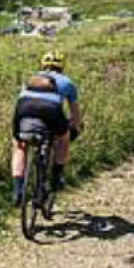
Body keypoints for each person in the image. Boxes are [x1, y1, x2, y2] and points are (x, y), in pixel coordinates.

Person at [11, 50, 83, 206]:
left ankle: (17, 190)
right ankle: (57, 176)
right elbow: (74, 113)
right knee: (63, 137)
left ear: (42, 65)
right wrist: (75, 128)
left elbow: (22, 98)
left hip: (24, 108)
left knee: (19, 145)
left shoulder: (31, 78)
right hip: (50, 109)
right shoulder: (67, 82)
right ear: (62, 67)